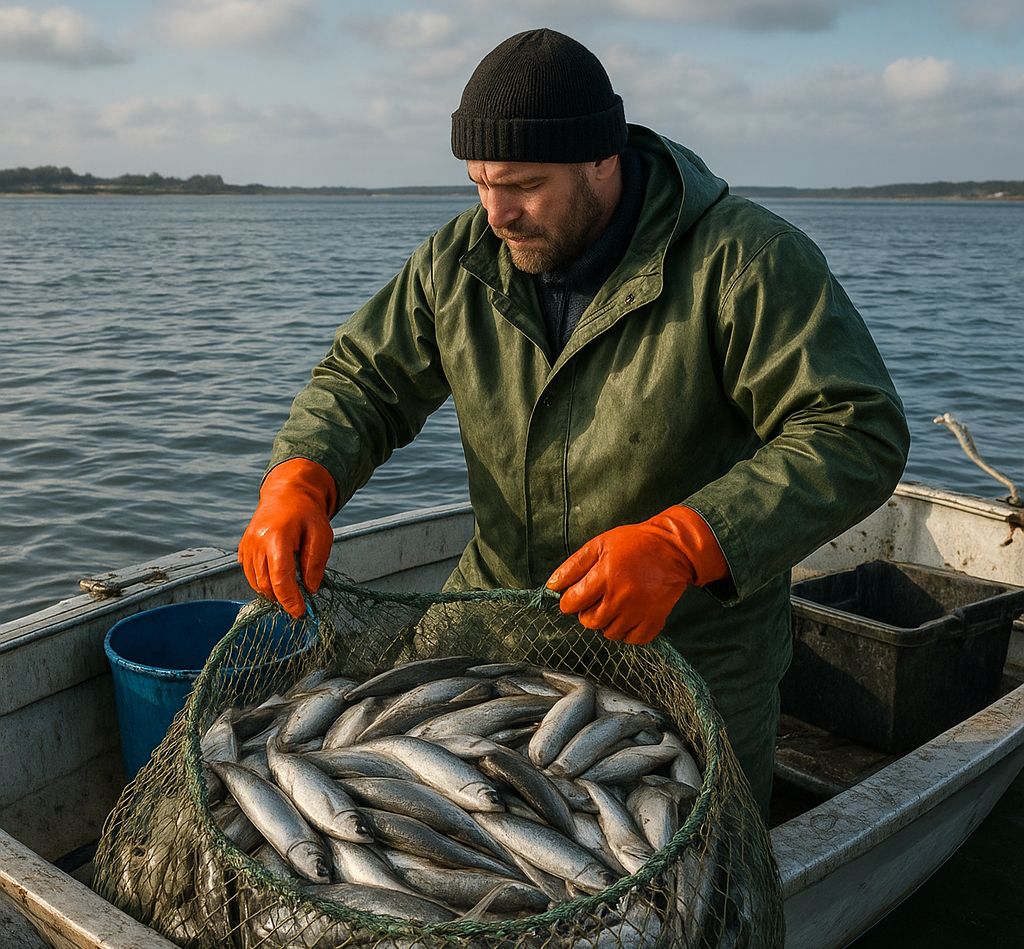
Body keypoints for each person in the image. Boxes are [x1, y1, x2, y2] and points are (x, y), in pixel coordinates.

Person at [238, 28, 910, 818]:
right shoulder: (458, 261)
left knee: (687, 863)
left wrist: (686, 544)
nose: (497, 214)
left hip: (688, 651)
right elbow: (364, 380)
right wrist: (300, 479)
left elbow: (855, 431)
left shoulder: (747, 262)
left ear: (601, 160)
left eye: (524, 186)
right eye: (479, 184)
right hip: (496, 622)